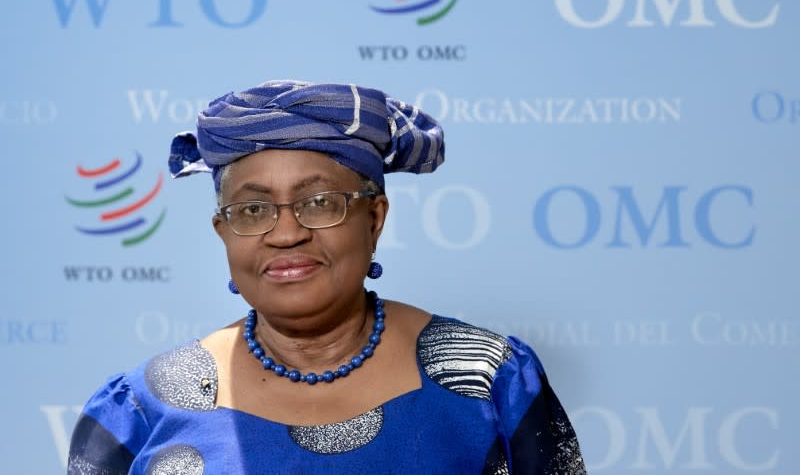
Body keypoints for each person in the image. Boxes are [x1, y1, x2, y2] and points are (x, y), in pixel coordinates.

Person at [67, 80, 586, 474]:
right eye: (252, 210)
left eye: (319, 203)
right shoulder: (138, 409)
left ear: (375, 218)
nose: (286, 233)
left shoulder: (487, 378)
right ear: (223, 232)